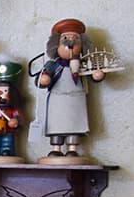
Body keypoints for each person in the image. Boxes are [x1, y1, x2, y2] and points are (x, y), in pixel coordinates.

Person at [34, 18, 105, 159]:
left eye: (76, 38)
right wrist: (43, 80)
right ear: (55, 44)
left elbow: (92, 76)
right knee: (56, 125)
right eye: (65, 38)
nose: (70, 41)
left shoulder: (84, 64)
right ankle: (56, 148)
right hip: (57, 99)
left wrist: (97, 76)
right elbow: (41, 77)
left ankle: (72, 149)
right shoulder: (53, 64)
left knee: (75, 123)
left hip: (76, 99)